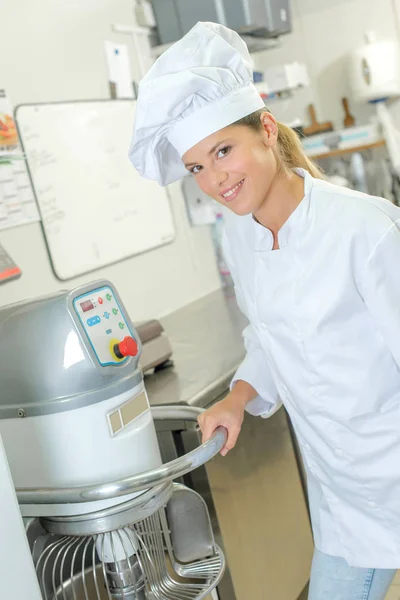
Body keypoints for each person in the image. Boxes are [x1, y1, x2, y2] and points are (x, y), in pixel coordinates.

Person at [129, 21, 400, 600]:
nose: (215, 178)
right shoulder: (241, 236)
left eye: (223, 150)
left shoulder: (364, 228)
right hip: (344, 493)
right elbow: (273, 338)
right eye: (198, 167)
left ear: (267, 131)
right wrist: (236, 397)